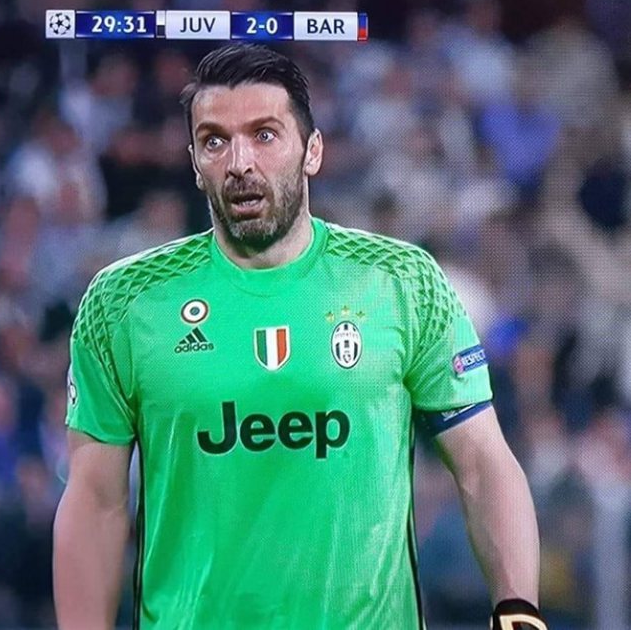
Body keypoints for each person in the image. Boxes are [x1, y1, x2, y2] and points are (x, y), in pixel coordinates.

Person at [53, 44, 548, 630]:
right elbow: (95, 501)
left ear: (312, 151)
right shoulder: (125, 301)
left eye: (264, 135)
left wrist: (518, 609)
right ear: (194, 163)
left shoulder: (402, 282)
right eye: (214, 141)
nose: (239, 162)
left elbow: (483, 462)